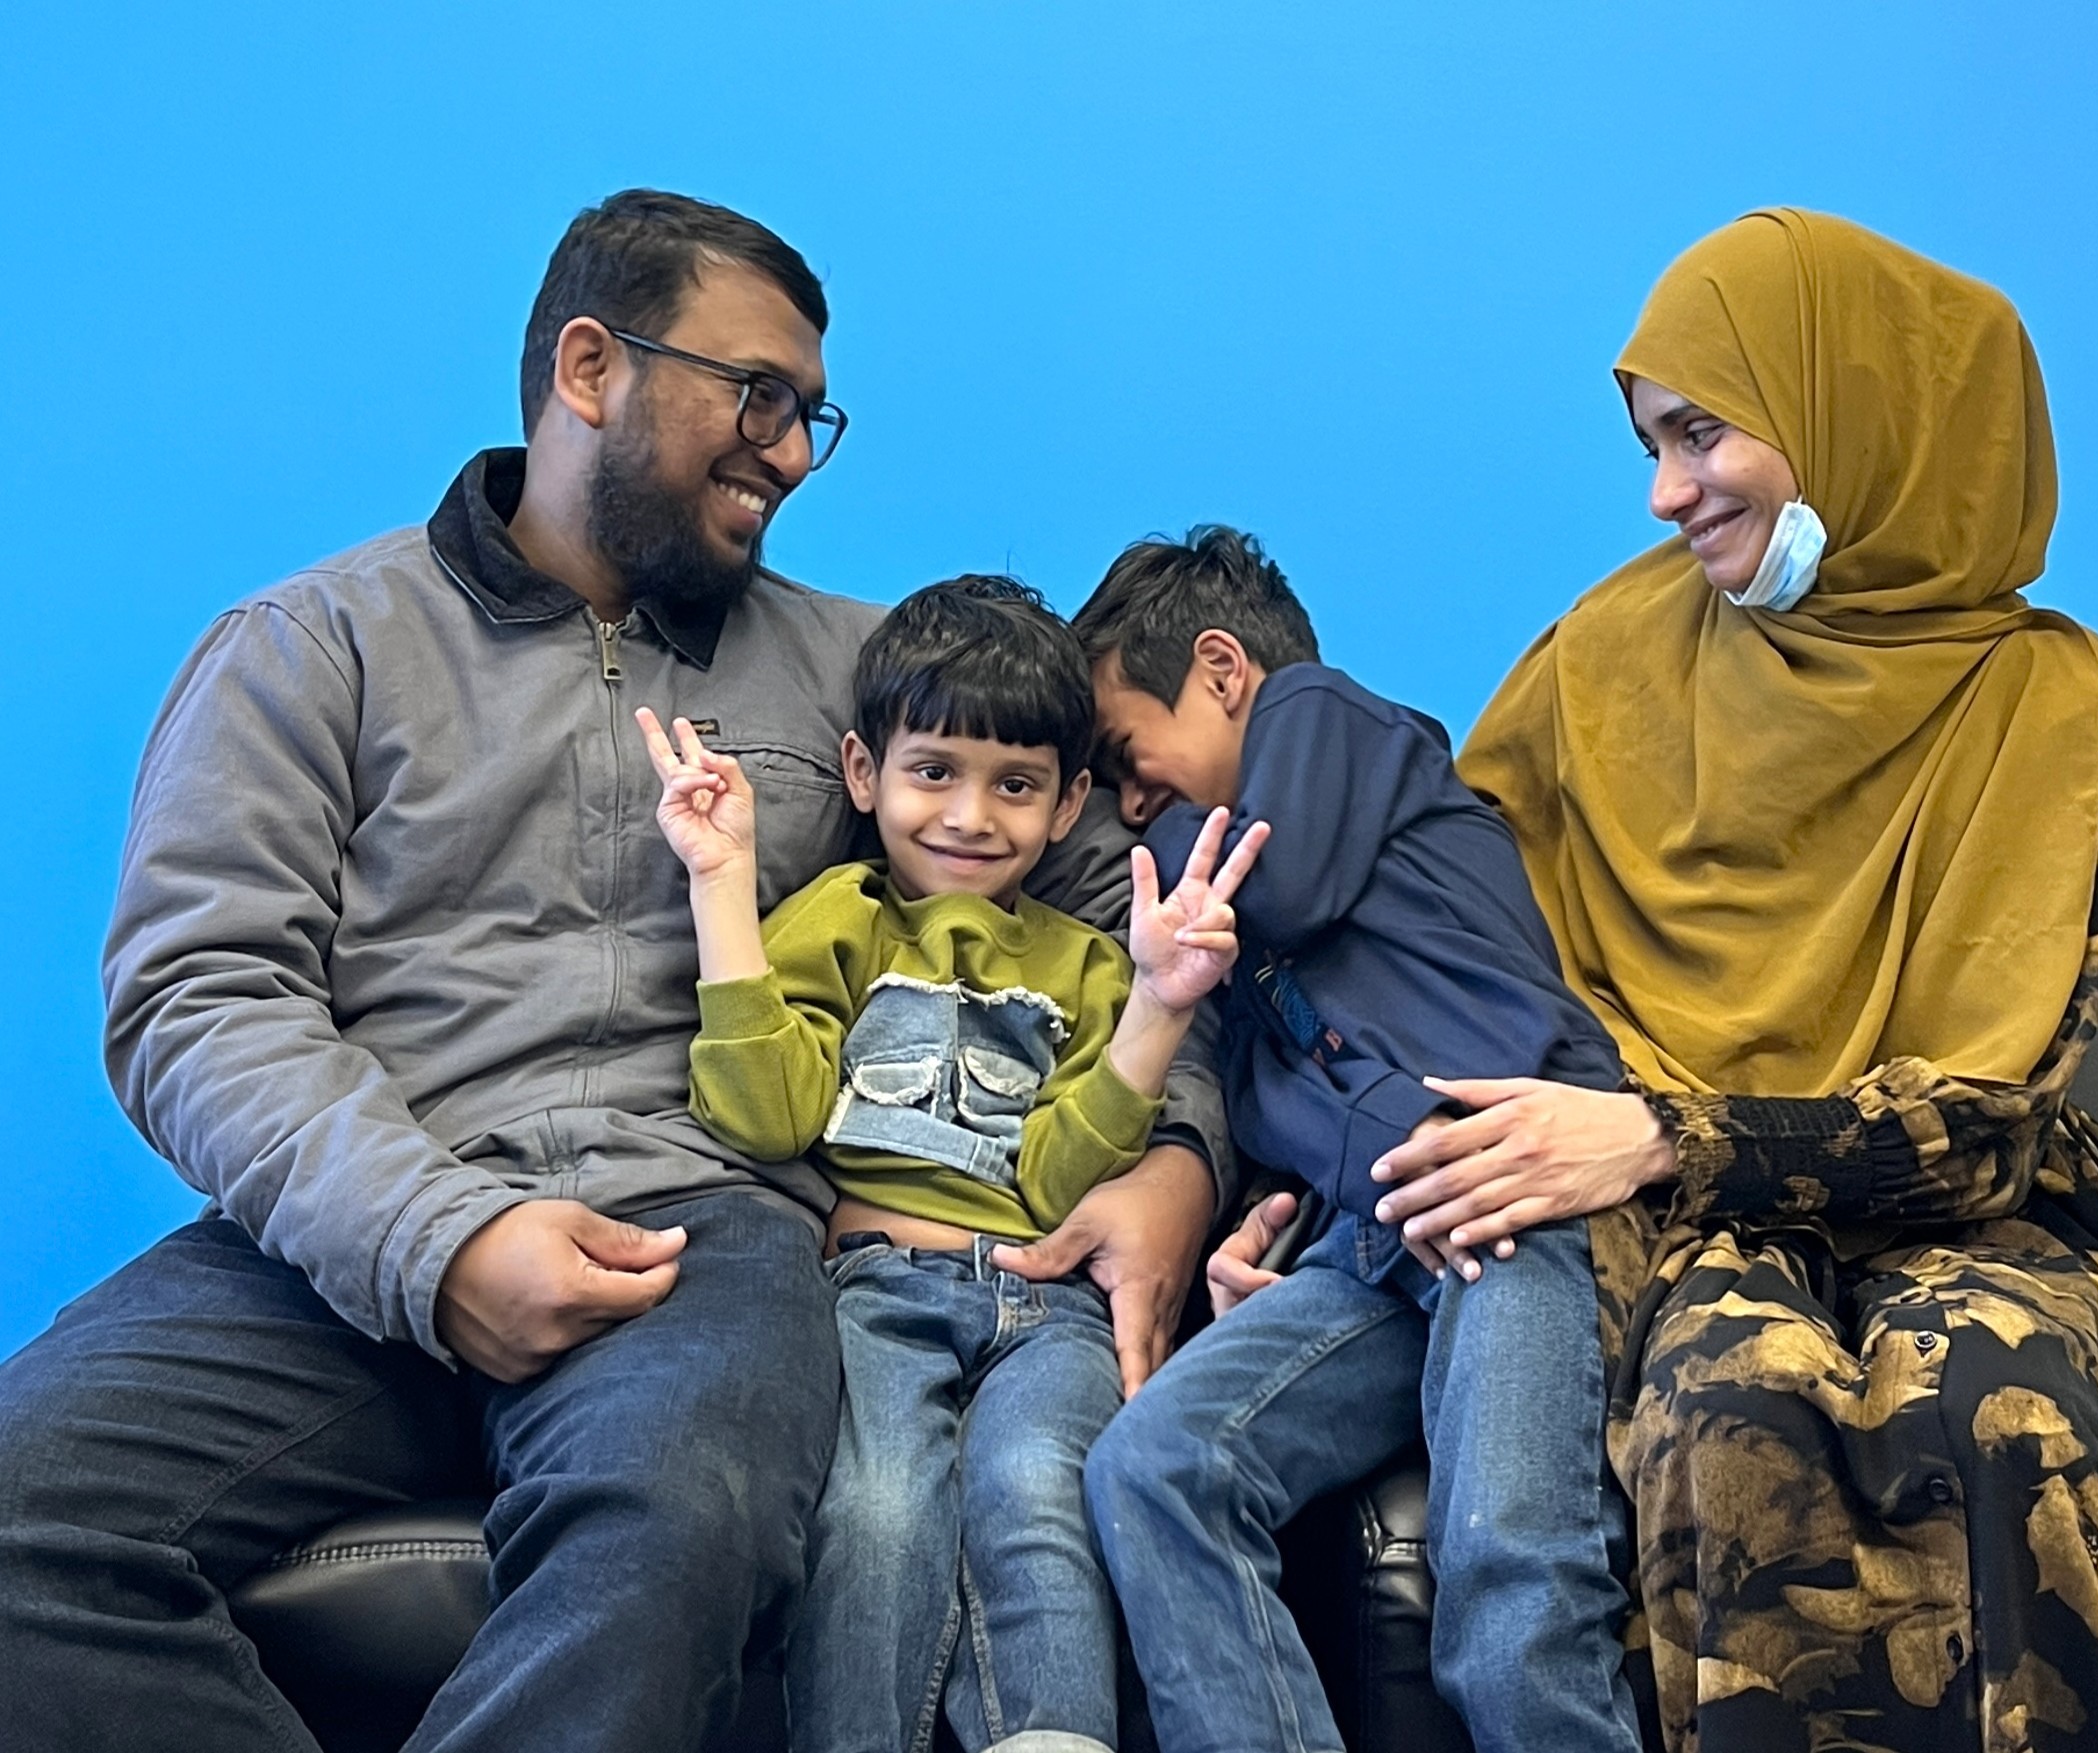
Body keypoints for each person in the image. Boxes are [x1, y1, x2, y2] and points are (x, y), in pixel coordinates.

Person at [0, 190, 1229, 1753]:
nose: (787, 450)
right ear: (591, 367)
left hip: (702, 1237)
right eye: (756, 396)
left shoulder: (865, 670)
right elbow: (199, 995)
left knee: (674, 1525)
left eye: (808, 415)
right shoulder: (309, 645)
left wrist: (1176, 1156)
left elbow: (1127, 918)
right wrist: (438, 1238)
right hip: (344, 1227)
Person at [1218, 207, 2098, 1750]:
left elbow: (1990, 1113)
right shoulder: (1603, 652)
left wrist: (1680, 1133)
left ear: (1851, 415)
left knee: (2010, 1407)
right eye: (1647, 445)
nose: (1665, 493)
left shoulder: (2037, 692)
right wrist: (1317, 1187)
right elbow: (1431, 958)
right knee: (1725, 1409)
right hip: (1656, 1214)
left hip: (1952, 1196)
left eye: (1700, 435)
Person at [633, 575, 1267, 1753]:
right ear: (864, 774)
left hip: (1051, 1300)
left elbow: (1058, 1175)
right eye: (934, 772)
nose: (971, 816)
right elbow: (767, 1112)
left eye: (1015, 784)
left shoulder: (1085, 963)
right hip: (875, 1289)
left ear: (1070, 802)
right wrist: (721, 886)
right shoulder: (837, 920)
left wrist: (1159, 1008)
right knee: (875, 1510)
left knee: (1037, 1483)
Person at [1072, 527, 1643, 1752]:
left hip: (1511, 1187)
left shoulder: (1323, 719)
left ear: (1223, 672)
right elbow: (1283, 1089)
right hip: (1373, 1239)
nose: (1131, 805)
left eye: (1127, 756)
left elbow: (1272, 885)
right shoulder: (1232, 963)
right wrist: (1256, 1224)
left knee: (1505, 1572)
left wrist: (1125, 859)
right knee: (1152, 1467)